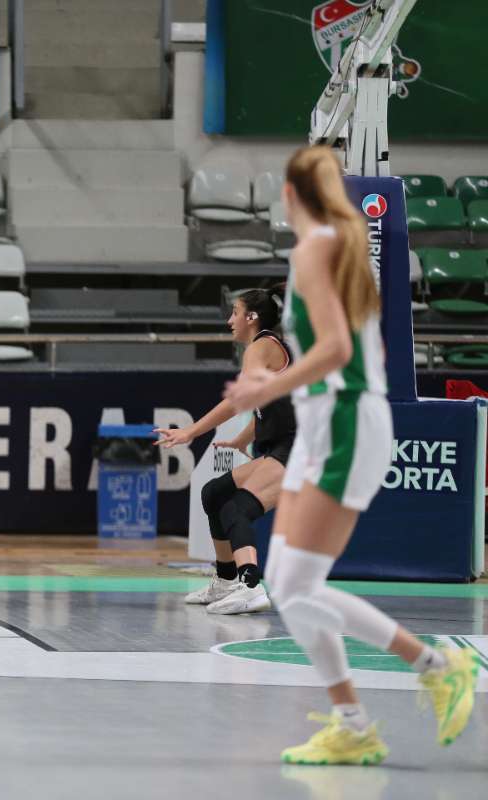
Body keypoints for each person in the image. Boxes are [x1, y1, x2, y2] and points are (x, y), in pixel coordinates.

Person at [226, 146, 478, 765]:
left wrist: (268, 386)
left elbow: (336, 350)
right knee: (290, 582)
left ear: (291, 196)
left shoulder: (316, 251)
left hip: (342, 424)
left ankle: (436, 666)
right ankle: (355, 721)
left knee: (294, 583)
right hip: (330, 425)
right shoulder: (341, 248)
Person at [155, 288, 295, 615]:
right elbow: (271, 406)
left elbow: (238, 401)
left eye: (235, 312)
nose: (229, 320)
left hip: (298, 451)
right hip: (281, 445)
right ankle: (227, 578)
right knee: (214, 493)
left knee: (237, 509)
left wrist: (190, 431)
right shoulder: (267, 349)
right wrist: (244, 440)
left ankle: (250, 585)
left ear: (252, 317)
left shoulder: (261, 347)